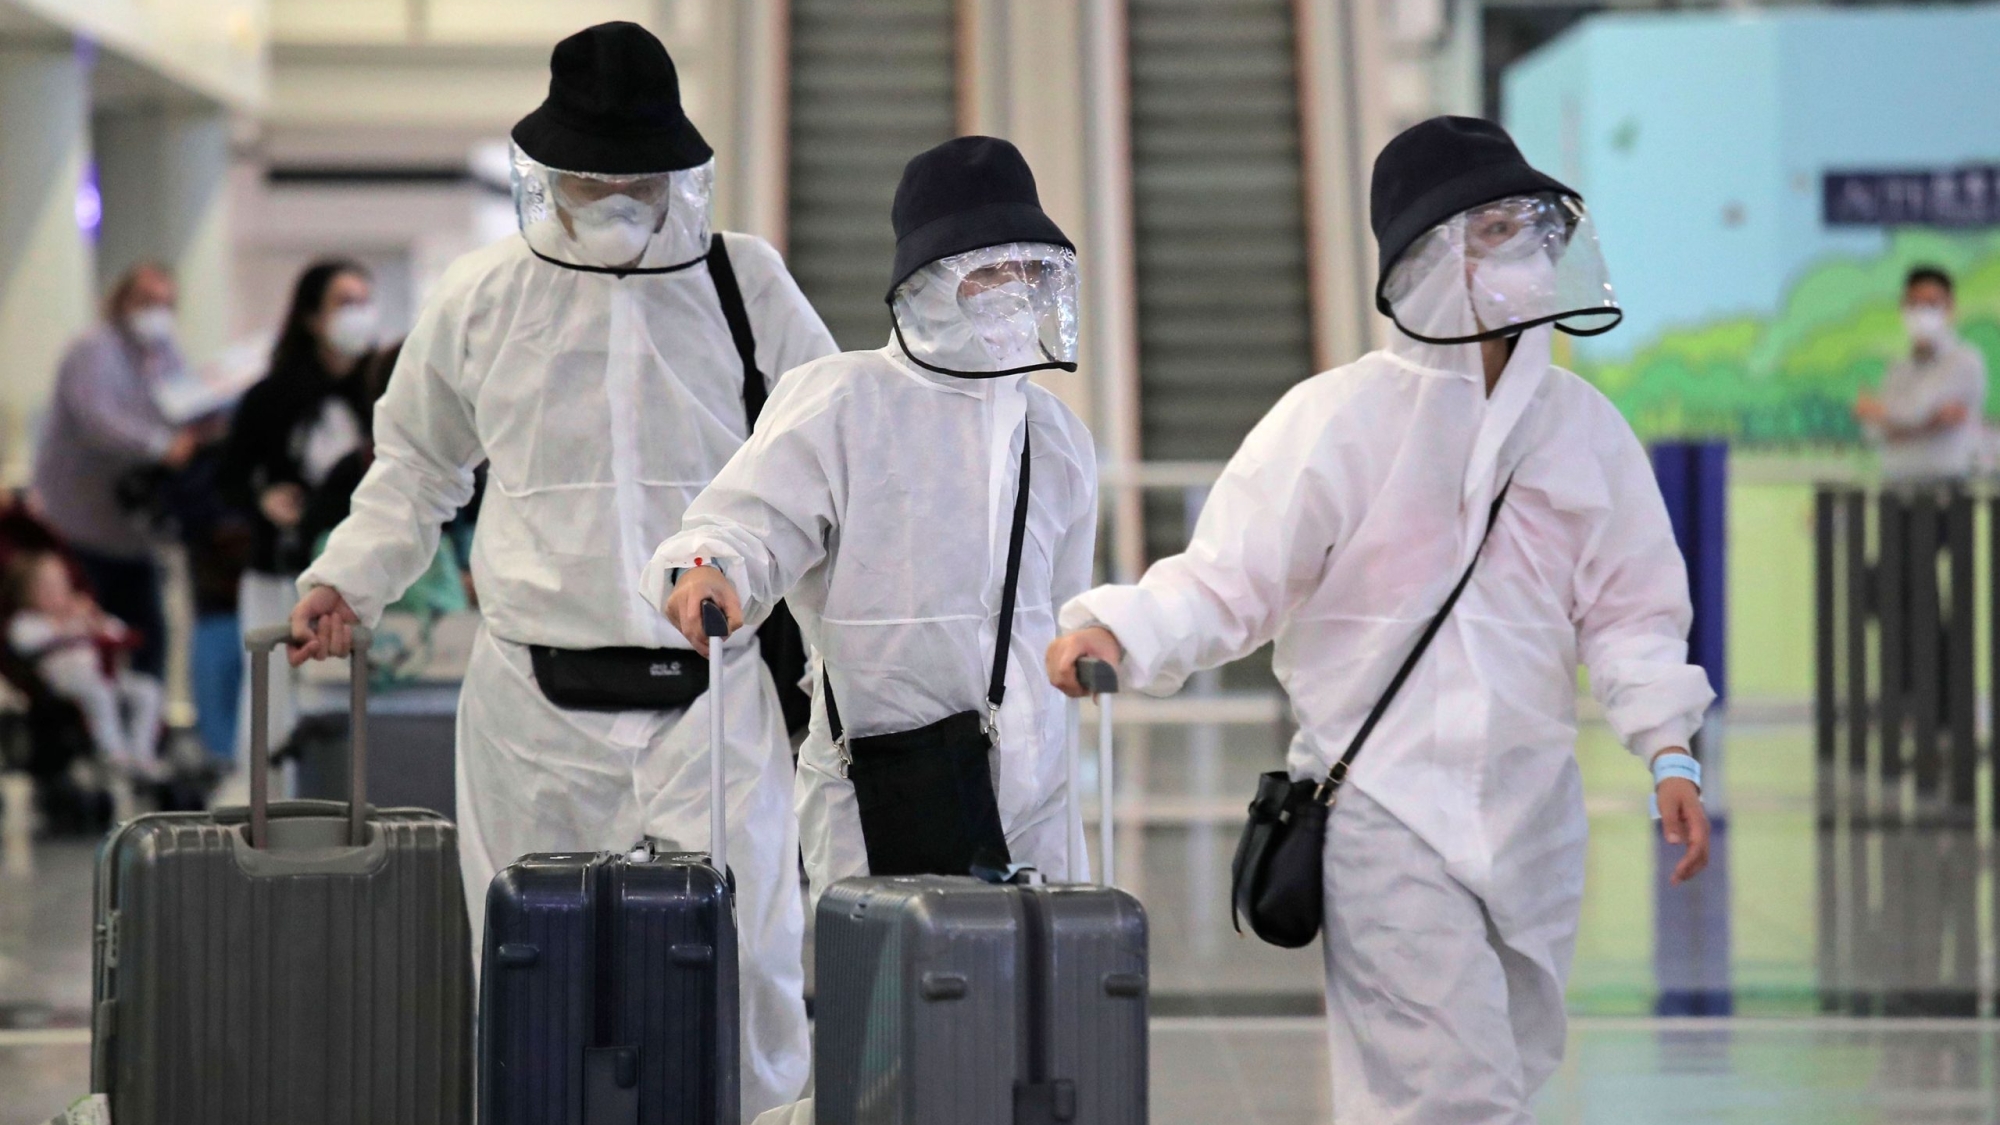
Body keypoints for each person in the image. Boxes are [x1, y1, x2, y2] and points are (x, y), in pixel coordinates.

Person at [1045, 116, 1715, 1124]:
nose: (1525, 251)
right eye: (1491, 229)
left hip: (1530, 817)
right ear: (1426, 256)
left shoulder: (1581, 430)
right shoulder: (1338, 419)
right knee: (1453, 1095)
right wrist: (1122, 628)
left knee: (1492, 1068)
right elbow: (1230, 579)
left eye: (1531, 227)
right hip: (1384, 814)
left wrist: (1667, 748)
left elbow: (1629, 608)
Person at [283, 22, 835, 1119]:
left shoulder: (746, 284)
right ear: (549, 171)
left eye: (634, 177)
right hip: (532, 703)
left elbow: (820, 460)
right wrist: (346, 581)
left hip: (709, 696)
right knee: (528, 966)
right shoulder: (485, 295)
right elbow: (417, 464)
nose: (613, 197)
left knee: (749, 967)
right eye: (589, 176)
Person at [651, 135, 1097, 901]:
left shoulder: (1053, 434)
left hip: (1036, 785)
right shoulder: (843, 400)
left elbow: (1060, 611)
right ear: (925, 280)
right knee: (892, 1006)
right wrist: (707, 569)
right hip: (883, 784)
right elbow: (743, 523)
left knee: (1041, 1002)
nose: (1012, 289)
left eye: (1027, 269)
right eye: (986, 269)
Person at [218, 260, 381, 765]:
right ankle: (267, 811)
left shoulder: (381, 393)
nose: (357, 314)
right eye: (343, 302)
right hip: (280, 567)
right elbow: (227, 478)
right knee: (272, 691)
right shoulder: (270, 396)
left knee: (354, 694)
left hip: (360, 571)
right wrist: (263, 500)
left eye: (363, 301)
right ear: (312, 317)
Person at [30, 262, 205, 688]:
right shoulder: (94, 349)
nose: (157, 313)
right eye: (147, 302)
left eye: (166, 304)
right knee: (87, 644)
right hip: (79, 526)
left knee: (148, 637)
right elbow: (99, 420)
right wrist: (163, 446)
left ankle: (148, 741)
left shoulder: (163, 353)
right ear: (121, 301)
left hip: (132, 532)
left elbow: (181, 404)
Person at [5, 550, 162, 780]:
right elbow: (24, 643)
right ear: (27, 592)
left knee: (147, 690)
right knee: (98, 691)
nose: (56, 592)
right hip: (62, 680)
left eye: (60, 584)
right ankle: (112, 752)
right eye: (46, 587)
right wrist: (63, 626)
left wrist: (94, 621)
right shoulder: (28, 621)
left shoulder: (83, 614)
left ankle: (141, 752)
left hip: (105, 675)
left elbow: (118, 633)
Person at [1854, 266, 1988, 482]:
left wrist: (1879, 412)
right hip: (1895, 486)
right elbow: (1873, 432)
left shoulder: (1964, 360)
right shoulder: (1898, 367)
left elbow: (1916, 410)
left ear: (1950, 309)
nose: (1921, 313)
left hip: (1947, 487)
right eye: (1914, 304)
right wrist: (1931, 424)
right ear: (1903, 308)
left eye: (1931, 304)